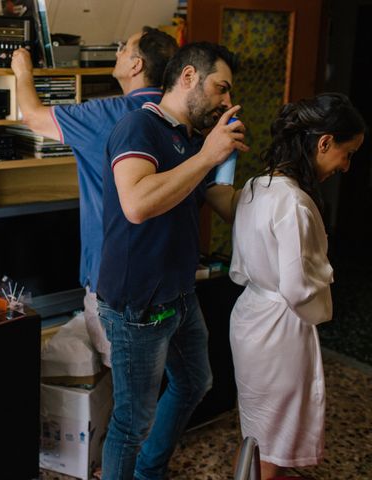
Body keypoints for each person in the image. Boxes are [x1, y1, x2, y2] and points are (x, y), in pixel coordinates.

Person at [96, 41, 249, 479]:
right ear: (187, 77)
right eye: (221, 88)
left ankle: (150, 470)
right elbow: (137, 204)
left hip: (181, 293)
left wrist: (278, 193)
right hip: (137, 304)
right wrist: (207, 156)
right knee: (132, 421)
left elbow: (221, 199)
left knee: (196, 382)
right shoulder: (138, 128)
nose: (227, 101)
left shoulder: (191, 139)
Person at [11, 27, 178, 367]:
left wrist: (22, 72)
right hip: (167, 274)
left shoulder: (112, 114)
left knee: (128, 394)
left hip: (116, 280)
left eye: (122, 47)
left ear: (136, 65)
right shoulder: (174, 112)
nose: (116, 52)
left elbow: (33, 117)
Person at [229, 93, 365, 480]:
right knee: (274, 433)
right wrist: (325, 286)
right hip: (278, 330)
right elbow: (298, 288)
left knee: (258, 426)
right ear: (324, 143)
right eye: (348, 153)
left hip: (250, 316)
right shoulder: (295, 203)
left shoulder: (259, 185)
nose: (347, 166)